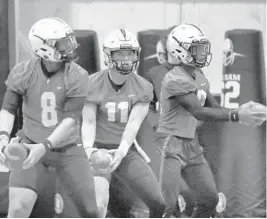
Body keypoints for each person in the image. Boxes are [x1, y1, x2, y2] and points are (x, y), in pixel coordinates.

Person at [157, 23, 265, 217]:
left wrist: (239, 111)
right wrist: (237, 115)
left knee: (209, 199)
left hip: (192, 144)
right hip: (171, 145)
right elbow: (198, 111)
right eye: (195, 47)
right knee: (169, 206)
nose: (201, 51)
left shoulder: (198, 74)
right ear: (178, 50)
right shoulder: (173, 79)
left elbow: (214, 107)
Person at [0, 17, 99, 218]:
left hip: (68, 149)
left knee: (90, 212)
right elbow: (8, 109)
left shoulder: (78, 74)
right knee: (18, 209)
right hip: (29, 144)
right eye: (61, 43)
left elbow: (71, 121)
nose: (68, 47)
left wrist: (45, 146)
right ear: (41, 48)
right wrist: (2, 136)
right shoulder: (23, 71)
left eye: (68, 41)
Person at [81, 28, 165, 218]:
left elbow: (133, 125)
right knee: (98, 206)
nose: (126, 58)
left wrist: (121, 150)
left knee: (158, 203)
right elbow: (88, 122)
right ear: (109, 55)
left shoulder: (143, 87)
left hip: (125, 150)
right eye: (120, 53)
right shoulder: (91, 83)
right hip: (97, 148)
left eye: (130, 53)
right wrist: (89, 150)